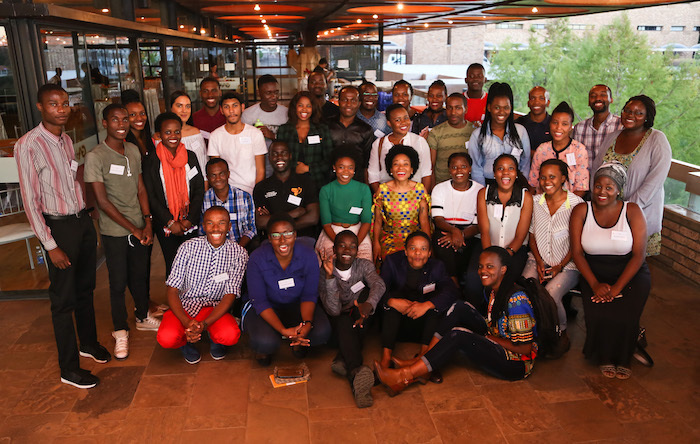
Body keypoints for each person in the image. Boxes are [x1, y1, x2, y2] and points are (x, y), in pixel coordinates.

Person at [15, 84, 110, 389]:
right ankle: (68, 368)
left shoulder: (67, 140)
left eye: (65, 103)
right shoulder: (27, 145)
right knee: (63, 300)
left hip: (80, 222)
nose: (62, 109)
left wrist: (88, 216)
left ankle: (88, 344)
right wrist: (50, 244)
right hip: (58, 229)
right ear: (41, 107)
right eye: (54, 104)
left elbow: (71, 180)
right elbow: (30, 201)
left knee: (85, 289)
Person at [375, 247, 538, 394]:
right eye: (480, 266)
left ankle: (404, 376)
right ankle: (424, 361)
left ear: (503, 269)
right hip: (496, 336)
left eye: (490, 266)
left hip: (515, 363)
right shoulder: (494, 290)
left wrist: (487, 338)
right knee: (459, 307)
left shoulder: (517, 301)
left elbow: (524, 349)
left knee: (459, 335)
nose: (482, 271)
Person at [85, 103, 161, 360]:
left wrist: (147, 222)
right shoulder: (96, 156)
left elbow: (141, 188)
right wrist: (135, 229)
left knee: (139, 277)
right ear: (104, 123)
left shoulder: (132, 149)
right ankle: (120, 331)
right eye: (115, 120)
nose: (121, 124)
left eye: (125, 119)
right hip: (115, 231)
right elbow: (102, 202)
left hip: (139, 226)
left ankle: (142, 316)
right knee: (117, 283)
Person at [570, 163, 650, 379]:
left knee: (624, 315)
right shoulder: (581, 210)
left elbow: (639, 255)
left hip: (630, 273)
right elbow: (577, 253)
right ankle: (604, 356)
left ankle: (624, 357)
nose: (602, 192)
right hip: (593, 273)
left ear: (618, 190)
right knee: (599, 315)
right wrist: (595, 284)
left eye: (609, 187)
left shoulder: (632, 211)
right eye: (598, 186)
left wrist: (616, 288)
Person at [157, 206, 248, 364]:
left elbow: (230, 295)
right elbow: (172, 290)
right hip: (185, 305)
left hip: (214, 308)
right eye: (210, 223)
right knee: (166, 338)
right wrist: (186, 322)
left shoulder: (239, 253)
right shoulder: (188, 248)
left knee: (230, 335)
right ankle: (184, 344)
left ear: (229, 226)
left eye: (221, 223)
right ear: (203, 226)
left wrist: (204, 324)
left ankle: (216, 340)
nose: (215, 228)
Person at [242, 214, 331, 366]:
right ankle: (267, 347)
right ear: (269, 238)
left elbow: (309, 295)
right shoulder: (257, 258)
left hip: (296, 305)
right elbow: (260, 301)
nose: (282, 240)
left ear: (295, 235)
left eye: (287, 234)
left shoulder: (308, 255)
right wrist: (282, 330)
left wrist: (307, 323)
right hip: (266, 308)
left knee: (322, 332)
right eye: (276, 235)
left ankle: (298, 340)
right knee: (265, 341)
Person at [590, 95, 672, 256]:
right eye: (627, 110)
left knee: (635, 263)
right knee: (609, 259)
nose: (630, 115)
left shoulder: (657, 139)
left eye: (638, 113)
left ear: (647, 117)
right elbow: (596, 170)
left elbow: (655, 181)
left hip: (639, 214)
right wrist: (599, 200)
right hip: (606, 213)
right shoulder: (612, 137)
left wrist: (627, 210)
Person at [522, 159, 583, 357]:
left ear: (563, 178)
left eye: (552, 177)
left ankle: (560, 330)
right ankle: (535, 332)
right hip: (538, 259)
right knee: (527, 288)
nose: (546, 181)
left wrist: (560, 266)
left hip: (568, 265)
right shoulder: (536, 202)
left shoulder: (576, 204)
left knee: (550, 293)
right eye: (542, 177)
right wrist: (539, 262)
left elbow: (578, 243)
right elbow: (531, 236)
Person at [318, 230, 386, 408]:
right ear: (334, 249)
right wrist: (330, 277)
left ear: (357, 250)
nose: (347, 250)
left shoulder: (363, 265)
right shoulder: (324, 270)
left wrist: (368, 305)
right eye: (342, 245)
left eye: (352, 246)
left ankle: (343, 359)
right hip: (337, 323)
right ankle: (355, 371)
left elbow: (379, 284)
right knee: (344, 322)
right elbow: (333, 310)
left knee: (366, 300)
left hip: (360, 316)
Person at [378, 232, 459, 374]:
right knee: (392, 302)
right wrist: (391, 301)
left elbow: (452, 291)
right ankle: (386, 358)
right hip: (397, 326)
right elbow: (378, 289)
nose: (417, 253)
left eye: (423, 249)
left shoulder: (437, 266)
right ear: (405, 251)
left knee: (436, 306)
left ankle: (424, 356)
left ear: (429, 253)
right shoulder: (392, 262)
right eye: (413, 248)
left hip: (424, 326)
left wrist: (426, 305)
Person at [143, 112, 205, 277]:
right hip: (165, 223)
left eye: (177, 131)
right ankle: (176, 301)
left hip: (188, 221)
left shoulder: (190, 156)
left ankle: (193, 301)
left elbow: (199, 189)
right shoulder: (151, 160)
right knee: (174, 263)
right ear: (159, 134)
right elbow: (151, 195)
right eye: (167, 132)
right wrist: (170, 222)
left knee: (193, 262)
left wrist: (189, 219)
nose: (173, 136)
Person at [475, 154, 533, 311]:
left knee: (507, 282)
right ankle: (481, 318)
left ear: (516, 173)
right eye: (500, 169)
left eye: (510, 169)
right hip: (488, 248)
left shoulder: (525, 196)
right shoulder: (483, 194)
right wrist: (490, 258)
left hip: (514, 251)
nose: (505, 173)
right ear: (494, 173)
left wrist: (505, 256)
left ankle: (502, 320)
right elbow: (484, 229)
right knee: (474, 283)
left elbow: (521, 234)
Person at [431, 152, 483, 288]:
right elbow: (438, 220)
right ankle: (455, 285)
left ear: (470, 169)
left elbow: (478, 226)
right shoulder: (439, 189)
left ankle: (457, 286)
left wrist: (462, 235)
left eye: (463, 166)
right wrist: (454, 231)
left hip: (470, 233)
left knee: (468, 253)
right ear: (449, 170)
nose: (459, 171)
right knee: (442, 243)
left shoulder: (480, 191)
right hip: (445, 230)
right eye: (454, 167)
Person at [371, 145, 431, 262]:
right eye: (396, 164)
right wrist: (376, 243)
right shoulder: (382, 190)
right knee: (392, 261)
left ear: (412, 169)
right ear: (391, 170)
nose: (400, 168)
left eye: (405, 164)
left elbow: (424, 221)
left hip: (415, 238)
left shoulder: (420, 189)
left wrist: (428, 246)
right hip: (390, 237)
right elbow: (378, 221)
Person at [253, 141, 319, 239]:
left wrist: (274, 220)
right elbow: (261, 222)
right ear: (269, 158)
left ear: (290, 156)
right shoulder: (261, 187)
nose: (279, 157)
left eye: (283, 153)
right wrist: (292, 214)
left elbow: (313, 218)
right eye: (275, 154)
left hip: (302, 239)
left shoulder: (306, 182)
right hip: (272, 240)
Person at [468, 82, 531, 186]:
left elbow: (525, 163)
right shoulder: (477, 135)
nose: (501, 112)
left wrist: (522, 186)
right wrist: (482, 192)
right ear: (489, 108)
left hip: (515, 185)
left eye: (506, 107)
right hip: (488, 185)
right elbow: (476, 168)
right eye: (497, 107)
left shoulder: (521, 131)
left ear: (511, 108)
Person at [316, 151, 373, 261]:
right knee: (330, 261)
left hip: (358, 231)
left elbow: (366, 221)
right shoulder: (326, 190)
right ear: (334, 168)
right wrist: (339, 244)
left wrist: (354, 244)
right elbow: (326, 224)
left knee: (364, 262)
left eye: (350, 168)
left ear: (354, 170)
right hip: (333, 231)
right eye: (341, 167)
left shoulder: (364, 189)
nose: (346, 171)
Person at [207, 91, 267, 196]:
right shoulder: (215, 136)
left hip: (252, 192)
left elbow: (261, 171)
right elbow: (215, 171)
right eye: (226, 107)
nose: (231, 111)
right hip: (226, 193)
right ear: (221, 110)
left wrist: (255, 195)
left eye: (235, 106)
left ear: (242, 107)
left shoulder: (255, 134)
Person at [367, 103, 433, 193]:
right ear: (389, 123)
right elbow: (373, 175)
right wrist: (382, 198)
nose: (403, 122)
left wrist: (422, 198)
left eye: (406, 118)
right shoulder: (379, 144)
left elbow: (426, 173)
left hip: (414, 197)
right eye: (398, 120)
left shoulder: (419, 141)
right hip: (388, 197)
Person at [528, 101, 589, 198]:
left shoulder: (579, 150)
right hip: (542, 205)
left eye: (564, 124)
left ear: (570, 127)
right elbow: (533, 184)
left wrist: (565, 207)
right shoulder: (542, 149)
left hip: (570, 206)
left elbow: (581, 188)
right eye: (555, 122)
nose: (558, 128)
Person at [276, 91, 334, 192]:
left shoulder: (322, 129)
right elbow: (278, 158)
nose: (304, 109)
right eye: (300, 105)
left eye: (308, 106)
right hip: (290, 183)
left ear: (313, 108)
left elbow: (329, 160)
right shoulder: (284, 130)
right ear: (295, 108)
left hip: (317, 184)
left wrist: (308, 168)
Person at [202, 158, 256, 250]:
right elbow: (202, 229)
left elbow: (251, 228)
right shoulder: (204, 198)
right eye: (213, 175)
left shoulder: (244, 197)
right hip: (212, 248)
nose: (218, 179)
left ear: (228, 174)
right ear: (207, 178)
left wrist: (236, 249)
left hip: (241, 246)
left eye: (221, 174)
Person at [327, 86, 375, 183]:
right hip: (329, 181)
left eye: (353, 100)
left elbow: (367, 162)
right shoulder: (326, 125)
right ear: (338, 102)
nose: (348, 104)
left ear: (359, 104)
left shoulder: (366, 130)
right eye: (345, 100)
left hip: (357, 181)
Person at [572, 84, 623, 170]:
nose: (598, 98)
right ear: (588, 102)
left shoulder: (621, 125)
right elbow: (575, 157)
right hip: (585, 181)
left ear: (611, 99)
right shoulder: (579, 128)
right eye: (593, 96)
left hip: (612, 181)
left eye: (603, 95)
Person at [428, 93, 476, 185]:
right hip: (441, 185)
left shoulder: (474, 131)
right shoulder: (435, 132)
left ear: (465, 109)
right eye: (450, 108)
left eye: (458, 108)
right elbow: (431, 166)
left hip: (467, 186)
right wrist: (434, 189)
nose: (453, 112)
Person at [241, 74, 289, 150]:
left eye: (276, 92)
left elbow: (291, 140)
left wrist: (273, 136)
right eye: (268, 93)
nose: (273, 96)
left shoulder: (286, 113)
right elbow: (244, 141)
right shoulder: (248, 114)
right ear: (258, 93)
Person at [170, 91, 207, 174]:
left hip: (196, 184)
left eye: (188, 106)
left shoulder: (196, 133)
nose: (184, 110)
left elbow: (203, 163)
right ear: (171, 108)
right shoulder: (161, 137)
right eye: (179, 106)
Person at [516, 86, 552, 152]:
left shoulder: (554, 124)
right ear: (528, 103)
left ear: (548, 103)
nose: (536, 102)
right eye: (533, 98)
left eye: (541, 98)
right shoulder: (519, 123)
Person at [122, 90, 156, 158]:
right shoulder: (123, 144)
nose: (139, 118)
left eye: (142, 113)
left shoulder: (150, 140)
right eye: (133, 114)